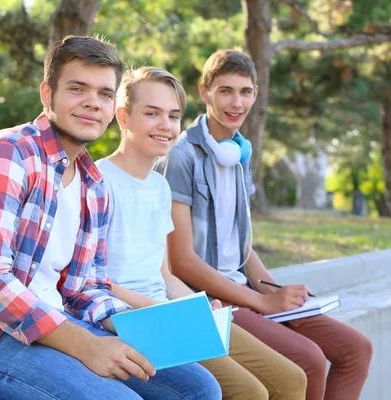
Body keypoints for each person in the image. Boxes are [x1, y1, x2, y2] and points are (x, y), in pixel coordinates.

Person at [0, 36, 221, 400]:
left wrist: (147, 325)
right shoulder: (7, 155)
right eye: (78, 89)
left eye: (105, 94)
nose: (93, 103)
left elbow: (84, 288)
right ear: (48, 95)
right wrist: (87, 346)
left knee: (199, 388)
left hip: (58, 323)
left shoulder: (93, 185)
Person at [159, 49, 373, 400]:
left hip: (247, 292)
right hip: (210, 300)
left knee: (357, 349)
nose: (236, 102)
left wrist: (274, 291)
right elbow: (181, 261)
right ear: (204, 92)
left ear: (256, 95)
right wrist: (261, 303)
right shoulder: (181, 157)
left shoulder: (240, 155)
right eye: (225, 91)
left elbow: (241, 247)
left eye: (245, 92)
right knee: (310, 360)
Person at [97, 66, 307, 400]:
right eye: (152, 113)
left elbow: (163, 273)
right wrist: (166, 310)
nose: (165, 125)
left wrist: (197, 305)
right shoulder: (98, 182)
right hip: (130, 321)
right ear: (123, 117)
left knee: (291, 379)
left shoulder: (159, 186)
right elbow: (94, 282)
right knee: (249, 392)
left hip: (170, 311)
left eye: (173, 115)